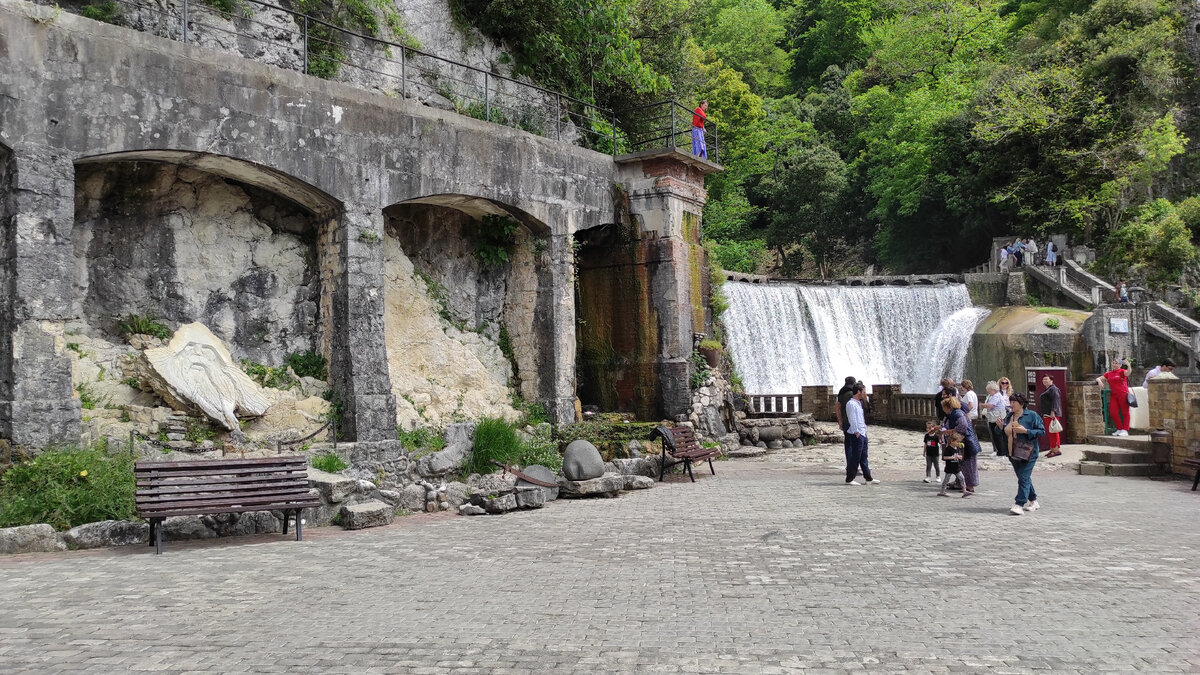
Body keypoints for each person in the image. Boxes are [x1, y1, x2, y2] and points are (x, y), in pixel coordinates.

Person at [1004, 393, 1045, 516]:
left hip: (1028, 452)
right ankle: (1033, 501)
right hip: (1012, 451)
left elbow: (1042, 431)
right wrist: (1000, 427)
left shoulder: (1032, 415)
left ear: (1021, 404)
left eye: (1013, 403)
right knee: (1023, 477)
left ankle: (1019, 504)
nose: (1011, 405)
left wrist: (1026, 431)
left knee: (1023, 478)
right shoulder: (1009, 416)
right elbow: (1002, 432)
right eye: (1010, 402)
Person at [940, 395, 981, 497]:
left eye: (944, 407)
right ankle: (960, 483)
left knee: (968, 464)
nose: (943, 409)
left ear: (948, 407)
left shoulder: (957, 414)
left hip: (967, 442)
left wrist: (951, 431)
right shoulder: (955, 414)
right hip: (963, 441)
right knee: (961, 463)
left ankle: (970, 485)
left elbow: (963, 426)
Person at [844, 383, 879, 485]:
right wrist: (856, 431)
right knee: (855, 457)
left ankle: (868, 477)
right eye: (864, 392)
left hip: (862, 433)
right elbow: (852, 419)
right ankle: (849, 479)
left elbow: (860, 419)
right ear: (858, 392)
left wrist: (864, 429)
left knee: (864, 457)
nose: (865, 394)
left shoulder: (859, 403)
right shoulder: (851, 404)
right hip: (856, 434)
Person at [1097, 360, 1132, 436]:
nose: (1114, 364)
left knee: (1125, 412)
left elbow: (1128, 373)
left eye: (1116, 363)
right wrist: (1099, 381)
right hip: (1114, 395)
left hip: (1123, 393)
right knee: (1113, 412)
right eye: (1113, 363)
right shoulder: (1109, 373)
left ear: (1120, 365)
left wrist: (1129, 365)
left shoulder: (1122, 371)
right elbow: (1099, 378)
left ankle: (1125, 430)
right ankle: (1119, 428)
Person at [834, 375, 857, 469]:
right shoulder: (853, 394)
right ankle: (854, 466)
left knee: (848, 444)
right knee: (856, 445)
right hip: (853, 422)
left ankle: (849, 464)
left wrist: (840, 421)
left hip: (845, 422)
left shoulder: (841, 393)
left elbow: (837, 408)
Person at [981, 380, 1009, 456]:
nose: (988, 392)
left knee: (997, 434)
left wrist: (982, 405)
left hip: (996, 416)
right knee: (995, 434)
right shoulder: (995, 395)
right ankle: (999, 451)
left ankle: (1001, 451)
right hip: (995, 416)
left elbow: (991, 405)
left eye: (989, 391)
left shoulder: (996, 396)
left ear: (993, 390)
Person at [937, 431, 967, 497]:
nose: (958, 443)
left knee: (962, 478)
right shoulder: (948, 449)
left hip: (957, 467)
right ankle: (942, 491)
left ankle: (964, 491)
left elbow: (960, 455)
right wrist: (953, 457)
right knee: (946, 480)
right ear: (952, 441)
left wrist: (960, 457)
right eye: (957, 442)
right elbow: (945, 457)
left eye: (959, 442)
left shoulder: (957, 448)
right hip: (950, 467)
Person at [1039, 375, 1063, 458]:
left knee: (1053, 432)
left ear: (1051, 380)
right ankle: (1053, 448)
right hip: (1047, 414)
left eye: (1046, 379)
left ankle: (1055, 449)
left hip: (1051, 414)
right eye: (1043, 379)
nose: (1044, 380)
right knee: (1051, 432)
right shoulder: (1048, 389)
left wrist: (1053, 411)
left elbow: (1055, 400)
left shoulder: (1053, 389)